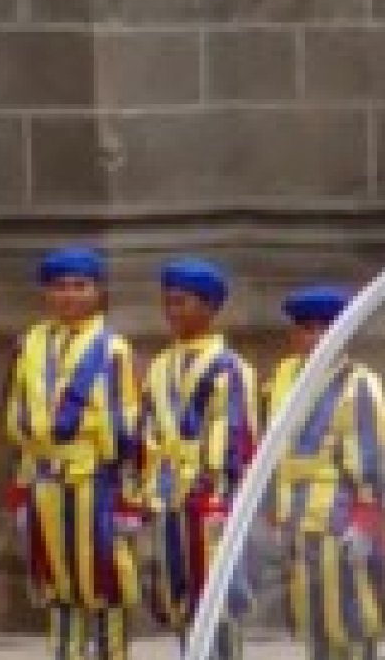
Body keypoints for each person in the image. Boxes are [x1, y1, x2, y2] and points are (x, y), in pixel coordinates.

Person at [4, 246, 142, 660]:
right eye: (59, 287)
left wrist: (126, 495)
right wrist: (21, 481)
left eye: (80, 287)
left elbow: (129, 424)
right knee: (55, 580)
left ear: (98, 293)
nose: (69, 295)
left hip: (95, 480)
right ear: (46, 293)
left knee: (104, 580)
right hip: (43, 479)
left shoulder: (113, 348)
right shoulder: (29, 344)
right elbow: (15, 407)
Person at [139, 257, 258, 659]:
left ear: (209, 307)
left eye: (183, 302)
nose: (173, 311)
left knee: (218, 596)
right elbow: (149, 429)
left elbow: (235, 436)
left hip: (210, 499)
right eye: (169, 302)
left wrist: (221, 495)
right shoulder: (158, 366)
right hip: (169, 494)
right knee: (177, 594)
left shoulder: (229, 367)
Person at [266, 286, 385, 660]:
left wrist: (366, 521)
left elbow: (373, 458)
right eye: (307, 328)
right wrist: (273, 512)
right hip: (295, 518)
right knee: (311, 616)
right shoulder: (281, 379)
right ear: (294, 335)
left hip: (340, 519)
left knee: (352, 617)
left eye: (327, 327)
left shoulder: (361, 384)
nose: (317, 337)